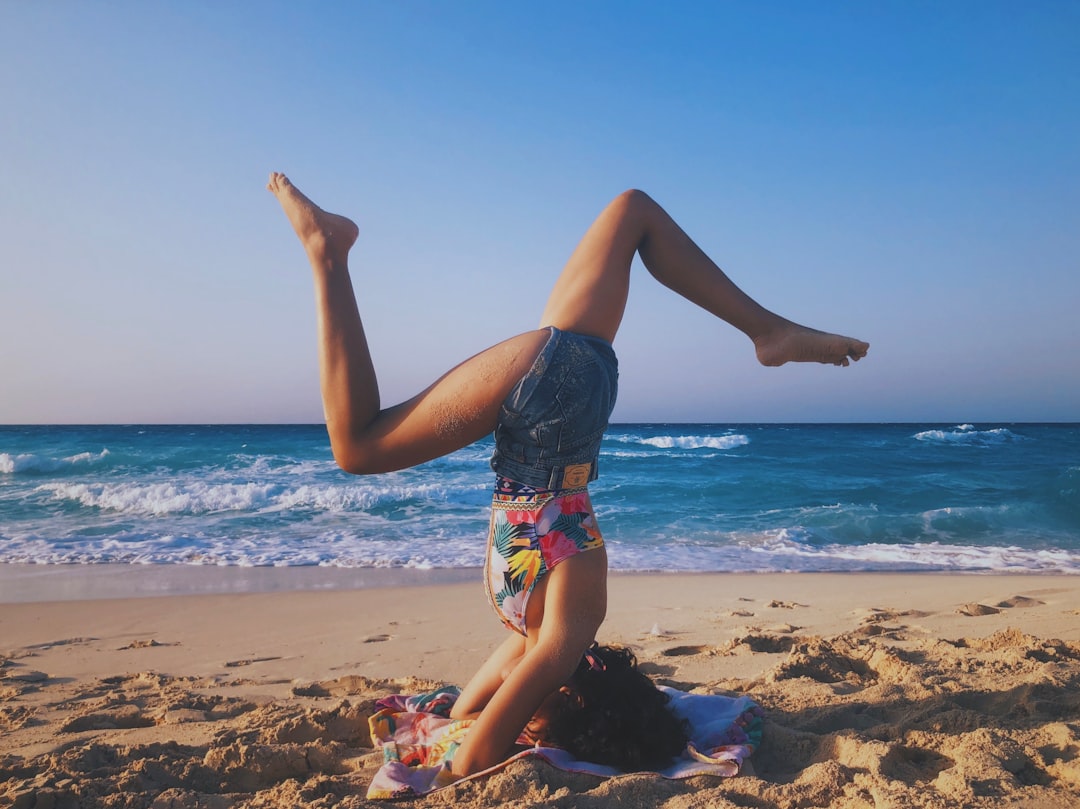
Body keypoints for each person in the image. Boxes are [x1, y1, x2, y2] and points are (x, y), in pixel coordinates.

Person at [267, 172, 868, 779]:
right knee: (359, 445)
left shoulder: (536, 640)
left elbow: (466, 713)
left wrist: (487, 720)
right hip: (549, 403)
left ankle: (767, 331)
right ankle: (328, 254)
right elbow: (471, 755)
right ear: (576, 701)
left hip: (564, 398)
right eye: (536, 718)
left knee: (633, 211)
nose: (524, 716)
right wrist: (505, 732)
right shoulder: (566, 635)